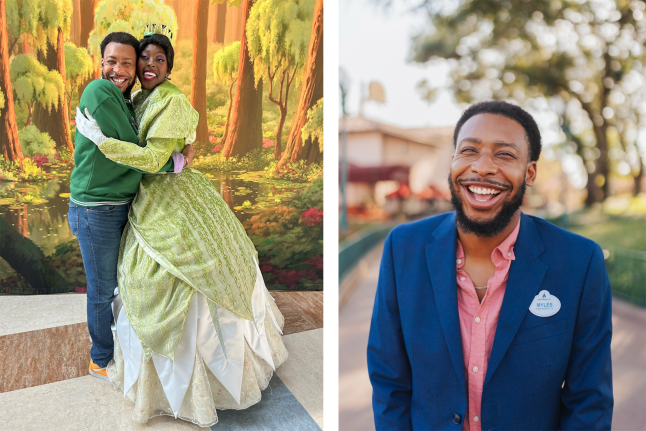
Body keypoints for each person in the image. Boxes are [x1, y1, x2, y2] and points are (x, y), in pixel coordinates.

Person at [75, 27, 287, 427]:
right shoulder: (134, 96)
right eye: (144, 59)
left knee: (193, 267)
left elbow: (155, 155)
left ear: (169, 66)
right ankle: (111, 356)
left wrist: (107, 142)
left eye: (159, 59)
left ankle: (199, 374)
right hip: (142, 195)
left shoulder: (169, 100)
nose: (149, 65)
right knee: (124, 280)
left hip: (171, 192)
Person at [367, 100, 613, 430]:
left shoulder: (580, 262)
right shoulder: (403, 248)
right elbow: (389, 380)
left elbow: (590, 400)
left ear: (530, 172)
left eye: (504, 154)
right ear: (452, 162)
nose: (482, 167)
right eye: (469, 151)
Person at [68, 32, 192, 380]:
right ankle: (100, 359)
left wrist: (186, 141)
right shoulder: (101, 91)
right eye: (112, 61)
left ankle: (116, 347)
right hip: (98, 209)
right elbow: (136, 149)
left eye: (127, 62)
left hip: (117, 204)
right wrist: (173, 162)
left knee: (120, 283)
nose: (119, 69)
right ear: (101, 62)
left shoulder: (128, 98)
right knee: (102, 289)